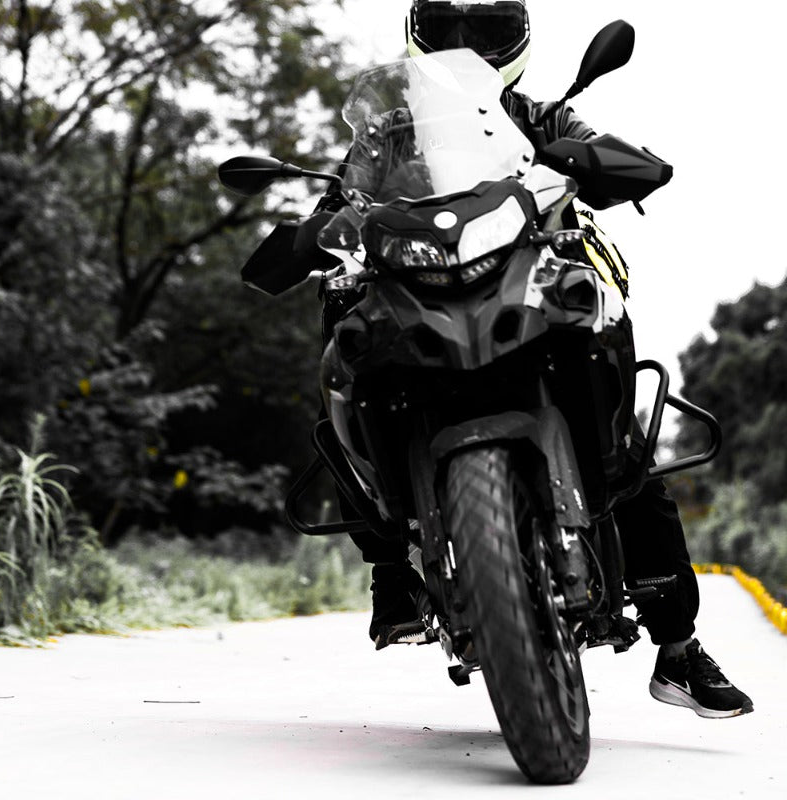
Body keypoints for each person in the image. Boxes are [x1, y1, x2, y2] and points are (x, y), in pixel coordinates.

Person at [315, 0, 752, 719]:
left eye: (484, 31)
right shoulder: (389, 135)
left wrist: (606, 161)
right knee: (345, 342)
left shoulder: (546, 116)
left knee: (627, 449)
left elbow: (613, 154)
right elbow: (342, 197)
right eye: (450, 31)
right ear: (421, 37)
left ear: (514, 39)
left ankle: (679, 649)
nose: (466, 45)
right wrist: (313, 228)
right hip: (423, 299)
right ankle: (390, 572)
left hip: (530, 292)